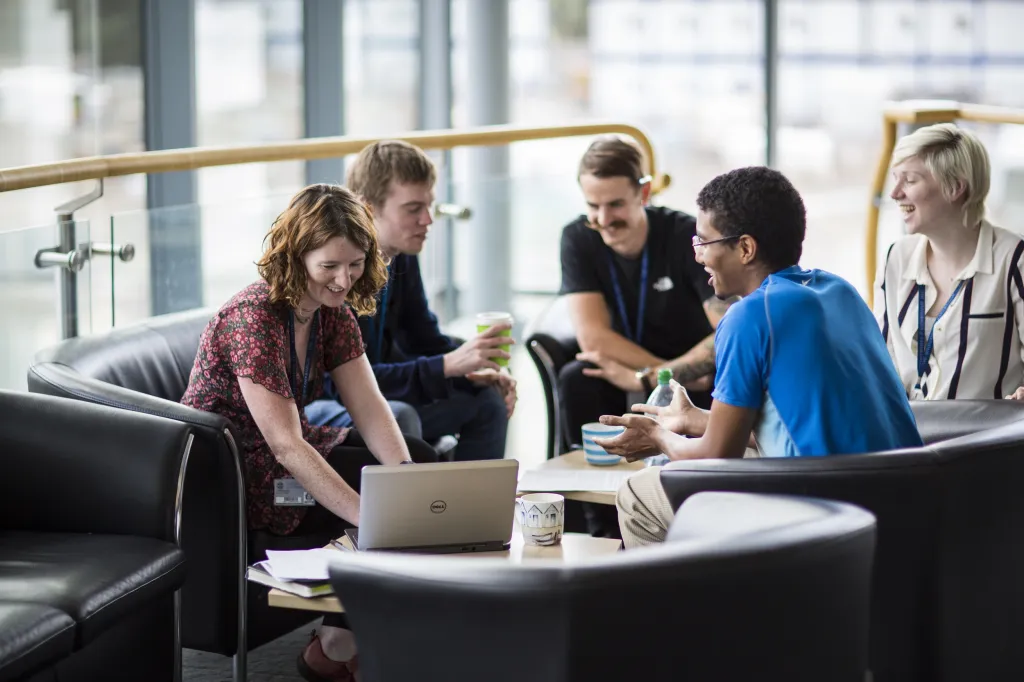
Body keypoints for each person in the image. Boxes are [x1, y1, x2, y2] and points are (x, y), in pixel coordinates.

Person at [181, 184, 437, 682]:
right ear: (296, 257)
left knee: (419, 461)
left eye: (356, 264)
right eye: (329, 266)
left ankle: (344, 638)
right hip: (233, 474)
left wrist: (406, 482)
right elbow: (283, 443)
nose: (344, 280)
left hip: (282, 455)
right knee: (379, 502)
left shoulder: (328, 310)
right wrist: (375, 514)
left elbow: (369, 405)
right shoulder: (252, 317)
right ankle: (341, 643)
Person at [592, 166, 923, 548]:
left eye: (703, 242)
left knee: (638, 494)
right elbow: (797, 425)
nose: (697, 256)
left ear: (746, 248)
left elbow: (717, 456)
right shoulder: (839, 291)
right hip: (899, 501)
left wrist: (659, 436)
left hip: (824, 509)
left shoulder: (749, 316)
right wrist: (694, 420)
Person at [304, 140, 517, 461]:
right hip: (323, 402)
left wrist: (475, 367)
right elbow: (341, 384)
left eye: (429, 206)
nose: (428, 220)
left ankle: (475, 510)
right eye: (413, 208)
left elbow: (424, 336)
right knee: (399, 416)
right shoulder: (337, 273)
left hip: (378, 394)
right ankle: (416, 511)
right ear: (367, 208)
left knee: (487, 400)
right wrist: (447, 366)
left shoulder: (399, 256)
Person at [557, 135, 731, 450]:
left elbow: (730, 329)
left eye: (615, 205)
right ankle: (587, 489)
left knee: (725, 374)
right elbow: (593, 338)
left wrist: (651, 378)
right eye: (592, 206)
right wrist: (664, 375)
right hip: (633, 365)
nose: (604, 219)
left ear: (644, 193)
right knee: (577, 377)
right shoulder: (578, 238)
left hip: (692, 368)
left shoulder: (685, 236)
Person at [874, 122, 1024, 401]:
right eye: (895, 179)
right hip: (910, 438)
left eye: (909, 180)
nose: (895, 193)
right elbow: (881, 362)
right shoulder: (895, 258)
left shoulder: (1014, 259)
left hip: (987, 442)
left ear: (955, 187)